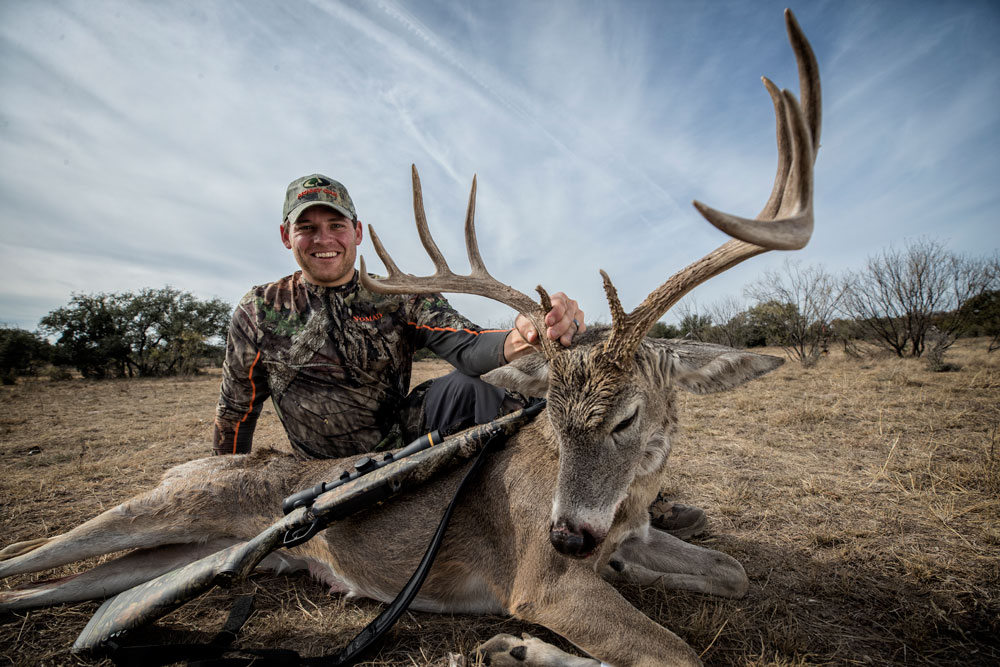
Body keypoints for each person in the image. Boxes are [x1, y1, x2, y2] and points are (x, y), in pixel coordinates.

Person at [213, 172, 705, 537]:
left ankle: (614, 507)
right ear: (287, 237)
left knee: (491, 387)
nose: (323, 239)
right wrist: (223, 490)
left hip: (399, 438)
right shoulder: (259, 309)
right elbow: (237, 410)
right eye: (308, 227)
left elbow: (469, 347)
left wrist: (527, 331)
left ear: (356, 232)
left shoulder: (396, 294)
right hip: (318, 469)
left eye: (335, 224)